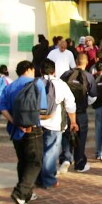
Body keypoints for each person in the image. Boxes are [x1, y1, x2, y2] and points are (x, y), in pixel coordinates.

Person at [0, 60, 48, 204]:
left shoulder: (10, 86)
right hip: (33, 128)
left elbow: (2, 108)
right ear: (30, 69)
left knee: (23, 161)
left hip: (15, 130)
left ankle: (27, 194)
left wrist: (15, 122)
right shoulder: (37, 84)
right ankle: (20, 192)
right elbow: (42, 109)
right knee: (36, 161)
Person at [37, 59, 77, 188]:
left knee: (39, 151)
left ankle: (37, 177)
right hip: (54, 124)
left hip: (36, 123)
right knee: (51, 152)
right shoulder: (61, 84)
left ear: (40, 70)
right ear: (54, 71)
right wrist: (73, 121)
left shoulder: (35, 83)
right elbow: (70, 104)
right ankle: (48, 179)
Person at [59, 53, 97, 174]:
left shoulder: (66, 75)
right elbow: (93, 96)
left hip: (65, 112)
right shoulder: (89, 77)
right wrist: (85, 103)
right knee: (81, 137)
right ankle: (80, 163)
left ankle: (66, 158)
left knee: (65, 135)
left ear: (76, 61)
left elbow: (58, 90)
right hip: (80, 112)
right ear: (86, 63)